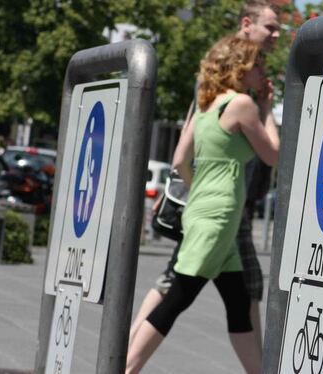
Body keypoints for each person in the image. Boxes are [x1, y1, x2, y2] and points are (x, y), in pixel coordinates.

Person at [128, 0, 280, 351]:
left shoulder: (237, 80)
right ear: (247, 25)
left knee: (241, 289)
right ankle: (124, 359)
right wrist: (195, 191)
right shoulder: (229, 79)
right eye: (269, 27)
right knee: (177, 286)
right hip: (219, 200)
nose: (275, 35)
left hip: (225, 198)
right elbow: (193, 139)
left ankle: (124, 356)